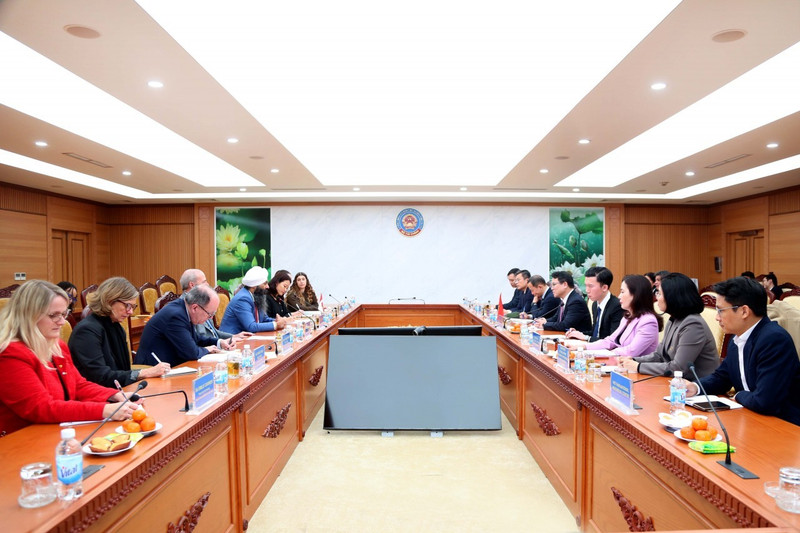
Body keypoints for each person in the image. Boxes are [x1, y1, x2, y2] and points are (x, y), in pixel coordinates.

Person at [0, 280, 140, 436]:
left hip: (56, 430)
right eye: (54, 315)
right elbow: (41, 408)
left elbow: (78, 385)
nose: (62, 322)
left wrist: (114, 395)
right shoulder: (10, 354)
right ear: (28, 315)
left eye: (63, 314)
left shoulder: (56, 346)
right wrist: (105, 410)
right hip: (22, 438)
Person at [685, 277, 800, 426]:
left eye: (720, 310)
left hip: (782, 424)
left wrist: (739, 395)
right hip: (750, 416)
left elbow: (765, 401)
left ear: (744, 311)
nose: (717, 317)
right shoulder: (737, 338)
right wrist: (695, 387)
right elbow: (722, 378)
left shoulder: (774, 340)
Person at [69, 277, 170, 387]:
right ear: (110, 300)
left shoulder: (116, 327)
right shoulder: (86, 331)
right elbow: (101, 377)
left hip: (118, 391)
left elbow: (123, 370)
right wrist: (143, 373)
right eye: (127, 305)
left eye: (133, 306)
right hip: (95, 394)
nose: (130, 312)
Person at [619, 272, 719, 377]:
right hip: (676, 382)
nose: (656, 297)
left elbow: (678, 368)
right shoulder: (674, 319)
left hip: (696, 384)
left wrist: (638, 366)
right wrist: (634, 360)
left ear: (672, 297)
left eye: (659, 293)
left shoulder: (693, 324)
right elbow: (659, 355)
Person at [566, 275, 661, 357]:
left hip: (636, 369)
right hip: (620, 363)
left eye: (622, 292)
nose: (619, 296)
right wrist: (584, 347)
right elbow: (610, 341)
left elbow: (631, 351)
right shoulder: (627, 316)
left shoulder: (648, 321)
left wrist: (604, 353)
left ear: (636, 295)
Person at [134, 284, 229, 366]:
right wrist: (207, 350)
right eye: (210, 314)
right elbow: (191, 353)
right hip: (151, 370)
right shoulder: (175, 316)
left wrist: (219, 342)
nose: (211, 318)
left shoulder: (184, 309)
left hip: (169, 366)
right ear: (195, 308)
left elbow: (195, 338)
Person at [179, 269, 252, 343]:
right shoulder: (186, 306)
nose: (207, 284)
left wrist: (234, 337)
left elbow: (213, 332)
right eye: (204, 282)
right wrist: (219, 344)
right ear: (192, 285)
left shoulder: (201, 300)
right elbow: (198, 338)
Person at [219, 266, 287, 334]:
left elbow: (264, 319)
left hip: (248, 336)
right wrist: (275, 325)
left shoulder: (257, 296)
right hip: (232, 337)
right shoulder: (242, 299)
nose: (267, 286)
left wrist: (277, 321)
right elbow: (251, 327)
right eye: (264, 283)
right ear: (254, 285)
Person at [565, 267, 622, 342]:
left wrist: (586, 338)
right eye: (586, 285)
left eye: (590, 286)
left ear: (604, 287)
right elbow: (596, 333)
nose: (587, 290)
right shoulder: (595, 304)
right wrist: (577, 333)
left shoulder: (617, 306)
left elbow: (613, 340)